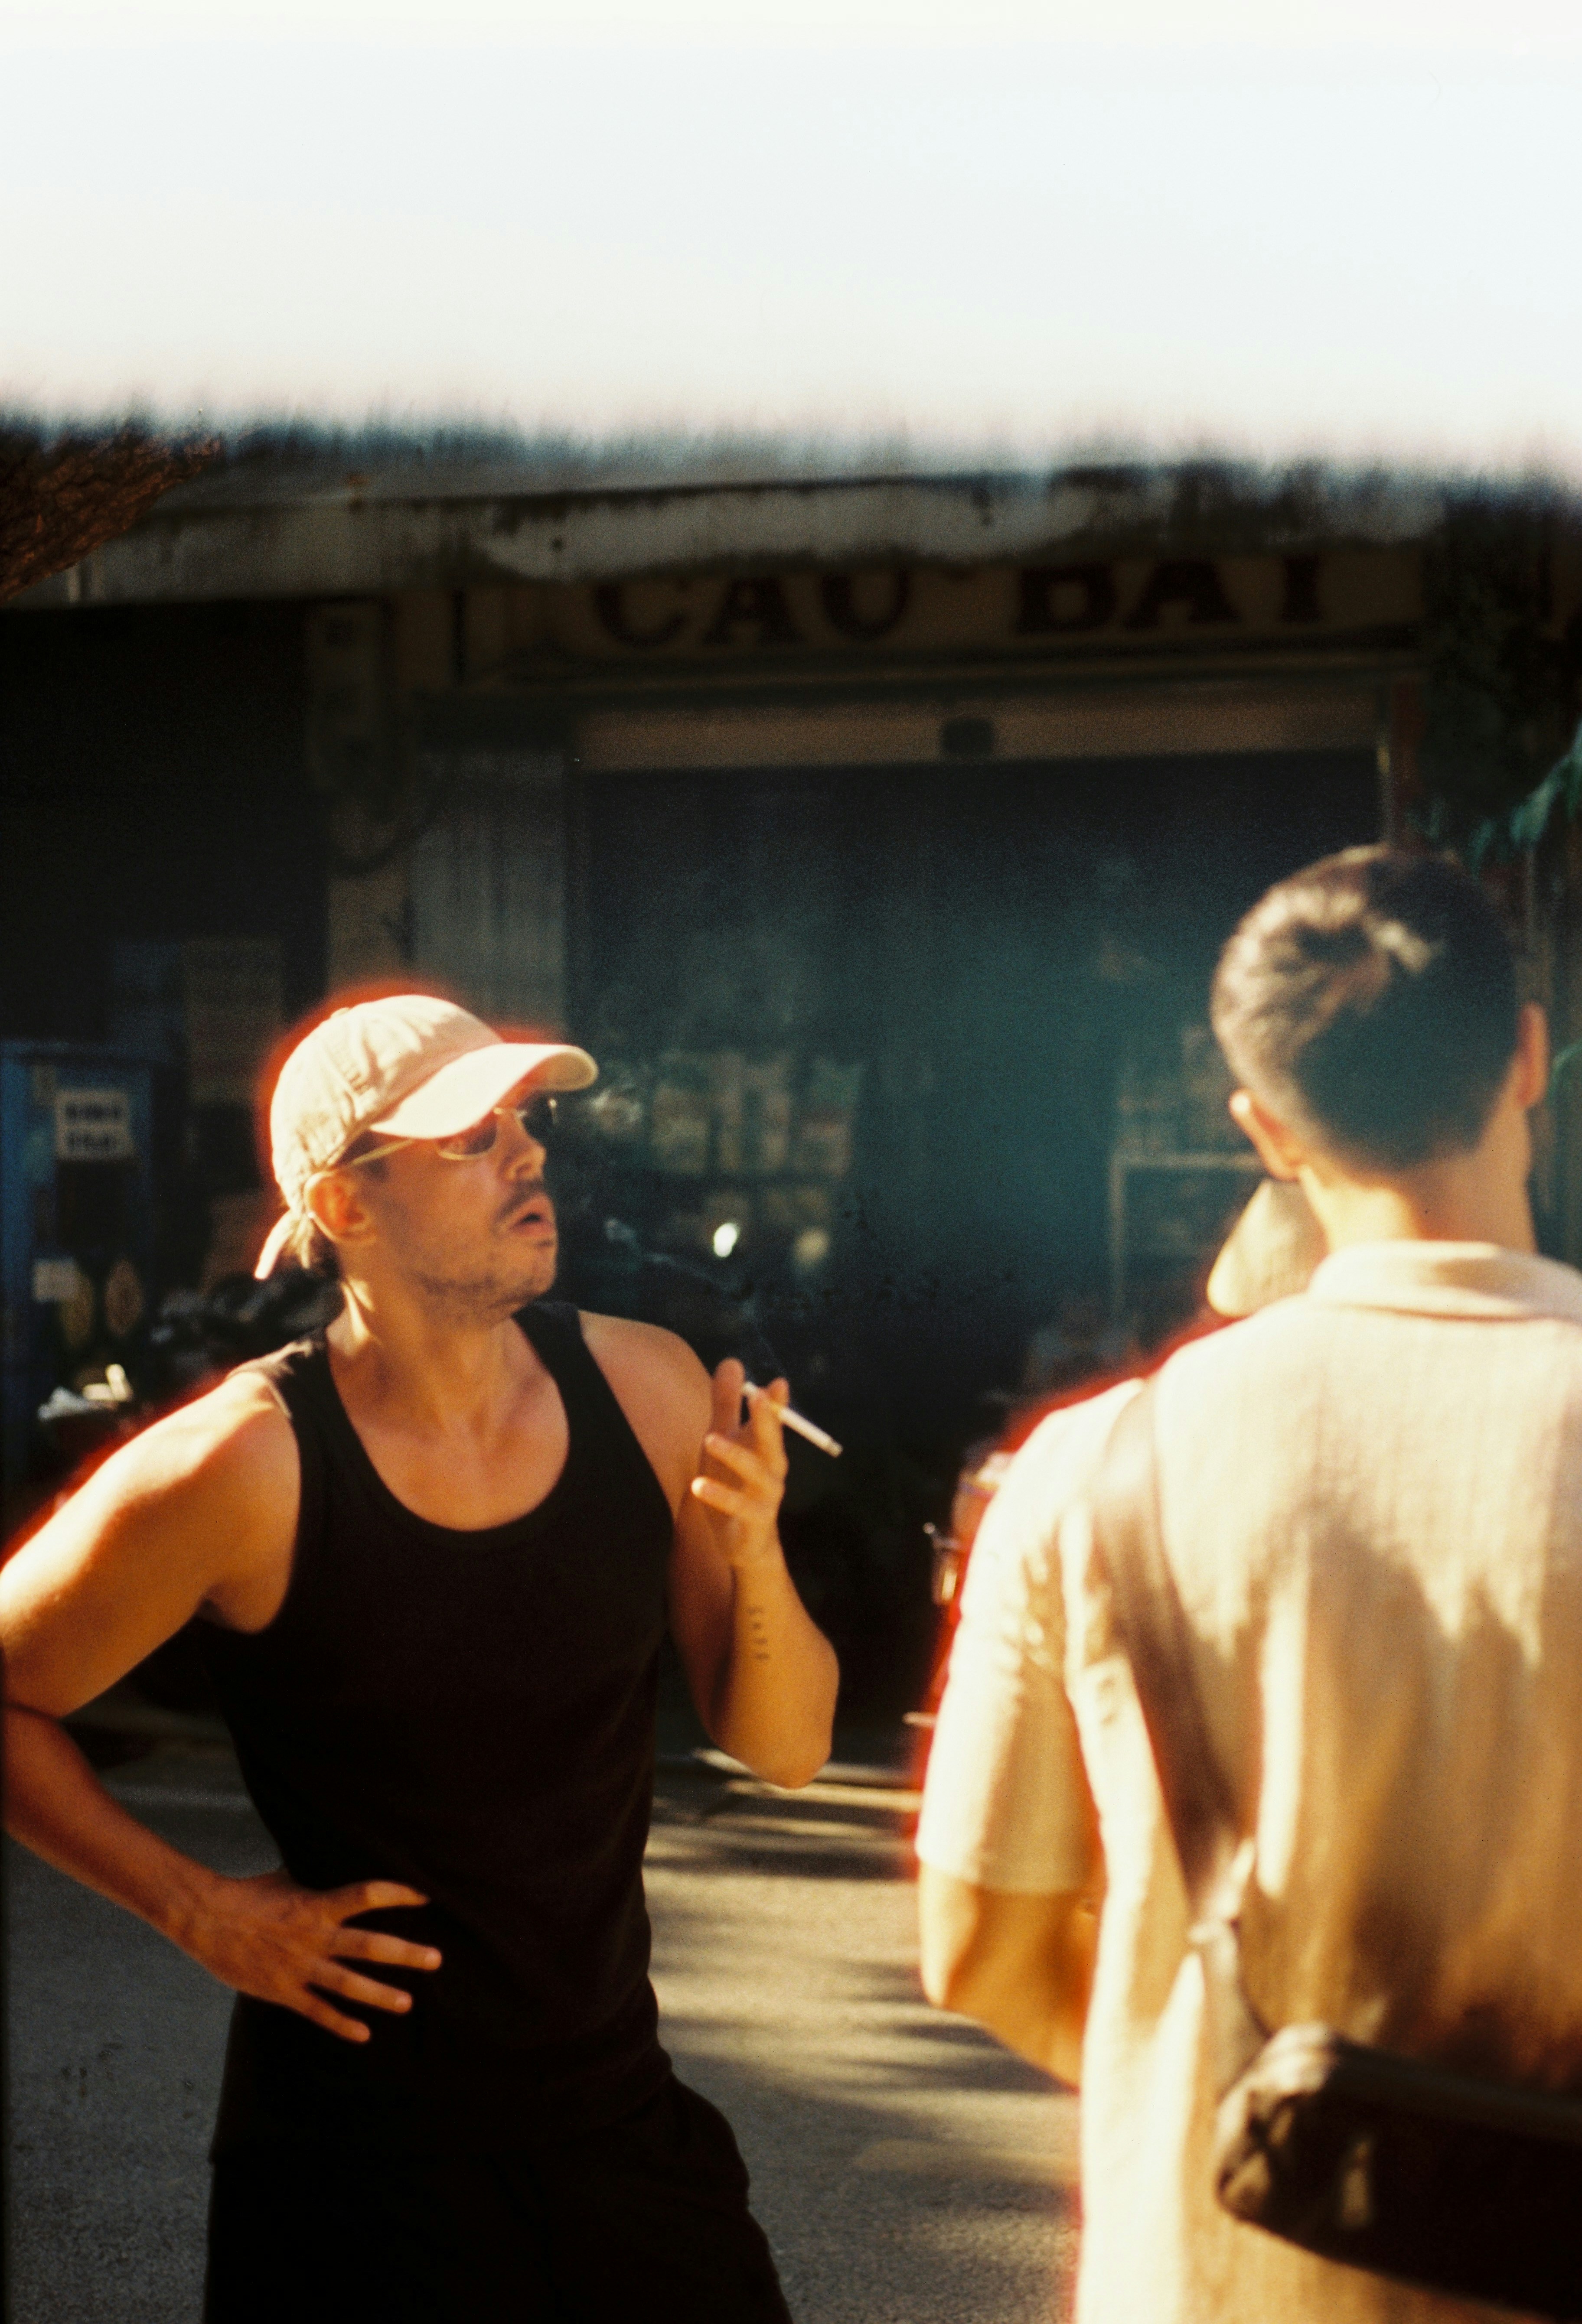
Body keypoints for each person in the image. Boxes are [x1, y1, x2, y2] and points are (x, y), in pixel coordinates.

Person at [2, 993, 838, 2323]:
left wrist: (754, 1548)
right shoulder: (242, 1466)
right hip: (350, 2185)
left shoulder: (650, 1388)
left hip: (623, 2135)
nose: (527, 1155)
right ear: (345, 1207)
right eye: (468, 1136)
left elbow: (787, 1746)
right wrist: (197, 1909)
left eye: (525, 1121)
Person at [916, 845, 1582, 2323]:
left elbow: (978, 1943)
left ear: (1263, 1127)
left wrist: (1232, 2081)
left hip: (1221, 2270)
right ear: (1527, 1053)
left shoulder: (1096, 1466)